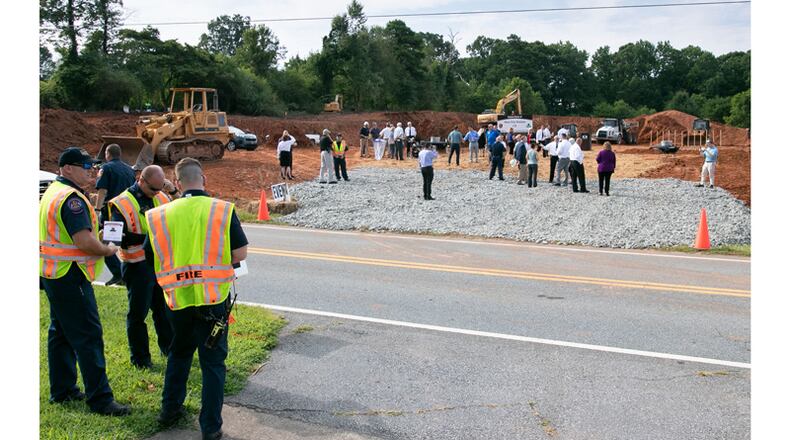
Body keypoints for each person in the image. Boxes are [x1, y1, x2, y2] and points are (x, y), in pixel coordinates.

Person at [147, 158, 249, 440]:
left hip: (177, 299)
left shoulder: (160, 213)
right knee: (213, 364)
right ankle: (210, 428)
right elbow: (240, 254)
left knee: (179, 354)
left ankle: (169, 410)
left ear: (177, 183)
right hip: (213, 300)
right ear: (203, 179)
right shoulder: (221, 210)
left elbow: (149, 253)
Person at [40, 147, 131, 416]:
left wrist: (96, 235)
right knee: (88, 335)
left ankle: (63, 389)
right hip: (70, 275)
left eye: (92, 166)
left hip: (54, 274)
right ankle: (100, 399)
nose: (91, 170)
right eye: (85, 166)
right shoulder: (71, 199)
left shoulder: (54, 193)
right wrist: (106, 249)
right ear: (67, 168)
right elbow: (83, 241)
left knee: (61, 332)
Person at [109, 165, 173, 370]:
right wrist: (146, 239)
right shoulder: (121, 203)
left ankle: (169, 350)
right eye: (153, 188)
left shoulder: (162, 197)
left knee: (163, 311)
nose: (157, 192)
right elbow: (115, 238)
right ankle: (141, 359)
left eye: (160, 188)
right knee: (137, 315)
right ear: (141, 180)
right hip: (136, 266)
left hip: (158, 265)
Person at [95, 143, 135, 286]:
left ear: (107, 154)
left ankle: (118, 273)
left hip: (111, 212)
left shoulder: (106, 168)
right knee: (124, 244)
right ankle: (124, 273)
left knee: (103, 242)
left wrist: (97, 210)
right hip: (127, 211)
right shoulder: (130, 170)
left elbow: (102, 190)